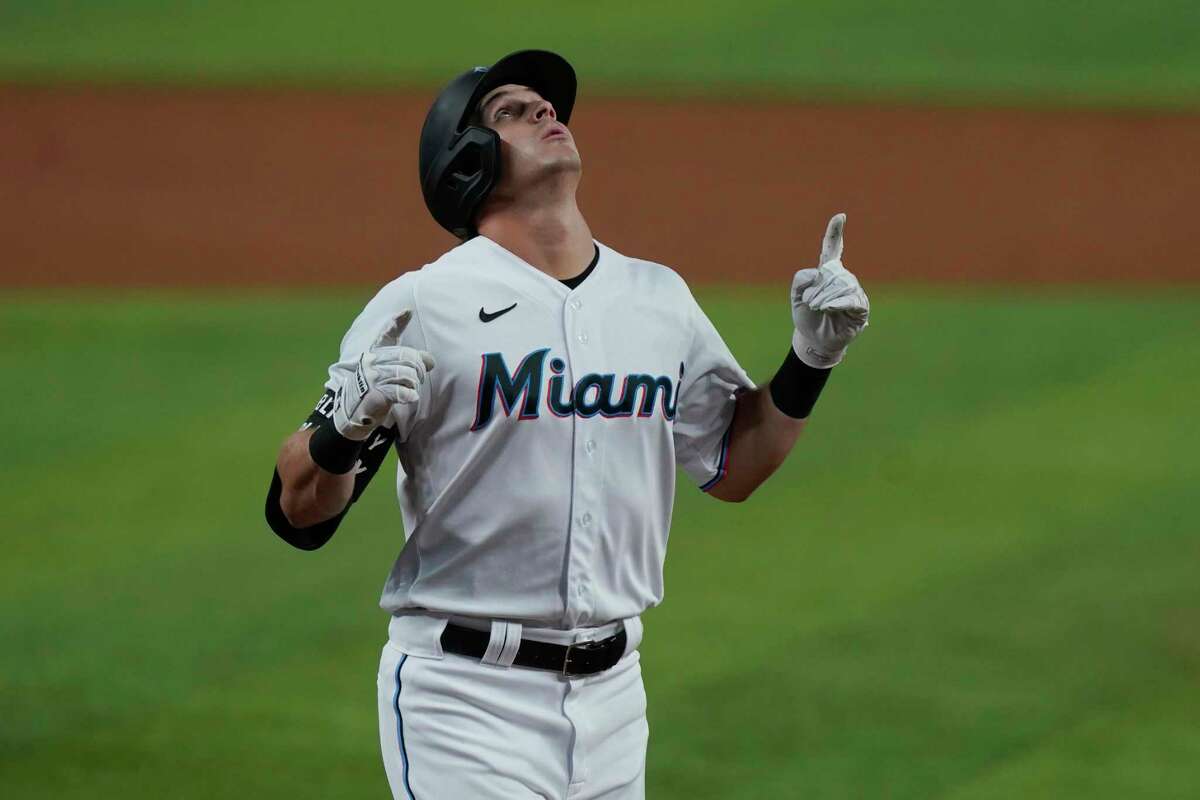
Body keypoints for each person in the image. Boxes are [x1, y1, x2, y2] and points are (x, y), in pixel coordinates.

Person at [265, 49, 870, 800]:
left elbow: (733, 466)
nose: (547, 113)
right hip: (464, 700)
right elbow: (298, 515)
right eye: (513, 111)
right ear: (467, 162)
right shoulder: (423, 306)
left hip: (615, 700)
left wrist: (812, 358)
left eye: (548, 106)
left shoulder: (657, 297)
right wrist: (342, 432)